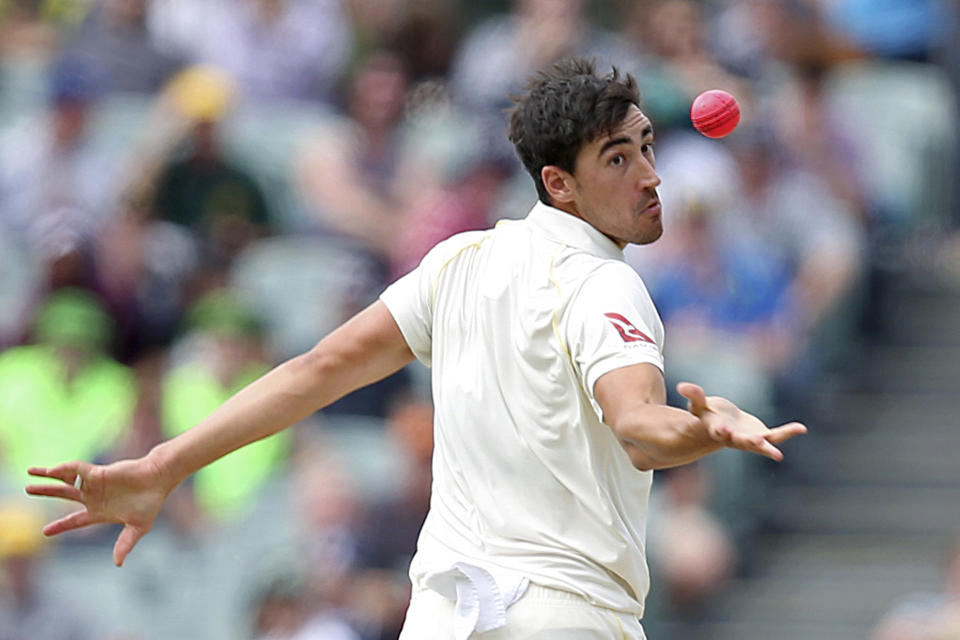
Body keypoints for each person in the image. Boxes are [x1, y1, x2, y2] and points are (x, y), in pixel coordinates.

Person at [25, 57, 806, 639]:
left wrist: (165, 465)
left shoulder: (457, 264)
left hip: (444, 618)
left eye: (644, 149)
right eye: (618, 159)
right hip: (564, 618)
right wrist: (703, 429)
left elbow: (312, 372)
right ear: (558, 184)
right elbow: (637, 424)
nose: (650, 176)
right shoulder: (609, 286)